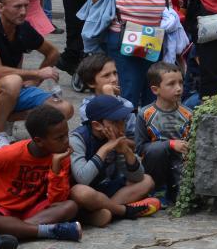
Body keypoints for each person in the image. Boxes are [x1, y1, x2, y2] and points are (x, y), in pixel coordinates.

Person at [0, 0, 74, 150]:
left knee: (64, 109)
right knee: (13, 81)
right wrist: (37, 73)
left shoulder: (23, 28)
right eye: (17, 6)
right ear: (1, 7)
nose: (23, 11)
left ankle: (7, 118)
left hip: (14, 90)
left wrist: (34, 82)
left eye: (25, 6)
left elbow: (52, 53)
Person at [0, 104, 83, 242]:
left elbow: (57, 200)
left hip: (31, 212)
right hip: (1, 210)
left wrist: (56, 167)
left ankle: (17, 230)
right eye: (59, 138)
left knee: (70, 207)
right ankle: (38, 231)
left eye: (66, 135)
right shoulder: (12, 153)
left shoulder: (60, 156)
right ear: (39, 141)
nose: (66, 141)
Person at [68, 94, 160, 224]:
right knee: (81, 192)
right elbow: (83, 179)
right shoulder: (77, 139)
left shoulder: (114, 139)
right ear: (97, 125)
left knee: (147, 181)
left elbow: (137, 177)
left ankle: (106, 211)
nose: (121, 125)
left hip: (102, 190)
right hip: (81, 195)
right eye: (115, 122)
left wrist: (126, 151)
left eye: (123, 120)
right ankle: (123, 211)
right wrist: (105, 148)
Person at [136, 62, 193, 205]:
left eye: (181, 82)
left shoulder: (188, 114)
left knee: (185, 198)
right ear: (156, 90)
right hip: (156, 163)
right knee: (156, 151)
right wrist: (170, 144)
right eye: (171, 84)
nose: (179, 88)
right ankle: (158, 189)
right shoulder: (145, 114)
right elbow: (141, 147)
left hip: (180, 163)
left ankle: (178, 192)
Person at [73, 52, 139, 139]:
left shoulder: (126, 104)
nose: (114, 79)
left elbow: (135, 139)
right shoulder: (86, 107)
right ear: (91, 83)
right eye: (106, 75)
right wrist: (109, 96)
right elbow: (107, 135)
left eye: (115, 73)